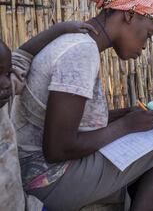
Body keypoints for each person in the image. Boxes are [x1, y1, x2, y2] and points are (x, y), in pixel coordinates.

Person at [11, 0, 153, 211]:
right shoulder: (82, 52)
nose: (144, 46)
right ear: (129, 15)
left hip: (35, 169)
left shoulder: (79, 43)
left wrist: (125, 114)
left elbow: (70, 121)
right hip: (47, 180)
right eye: (147, 34)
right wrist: (125, 126)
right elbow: (57, 148)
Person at [0, 21, 97, 211]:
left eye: (6, 72)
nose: (5, 83)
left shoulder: (4, 96)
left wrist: (59, 29)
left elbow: (22, 57)